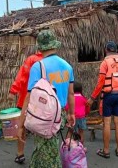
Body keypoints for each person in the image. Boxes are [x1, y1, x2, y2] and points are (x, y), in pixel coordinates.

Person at [17, 30, 75, 168]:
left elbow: (29, 96)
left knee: (48, 154)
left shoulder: (38, 67)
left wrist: (20, 125)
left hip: (43, 116)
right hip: (59, 115)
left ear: (40, 48)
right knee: (43, 149)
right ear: (54, 45)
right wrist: (71, 113)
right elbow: (71, 93)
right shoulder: (67, 66)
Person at [87, 41, 118, 158]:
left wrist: (92, 98)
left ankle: (106, 151)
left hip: (109, 95)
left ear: (106, 50)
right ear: (116, 50)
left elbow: (100, 83)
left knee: (107, 123)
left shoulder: (105, 63)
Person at [8, 51, 43, 164]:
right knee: (42, 127)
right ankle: (40, 155)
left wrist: (13, 91)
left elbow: (21, 76)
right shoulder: (50, 62)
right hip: (43, 102)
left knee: (21, 127)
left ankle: (20, 154)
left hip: (25, 99)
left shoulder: (31, 59)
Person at [66, 82, 89, 149]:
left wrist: (68, 113)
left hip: (72, 117)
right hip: (81, 117)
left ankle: (67, 146)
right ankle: (81, 148)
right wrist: (86, 113)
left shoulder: (71, 98)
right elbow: (87, 107)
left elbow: (67, 107)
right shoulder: (83, 98)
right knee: (81, 132)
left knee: (70, 131)